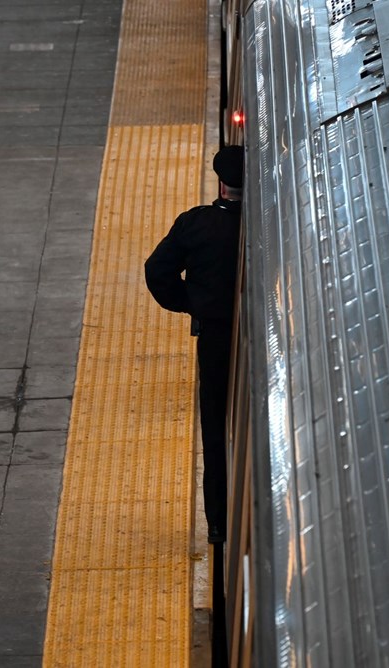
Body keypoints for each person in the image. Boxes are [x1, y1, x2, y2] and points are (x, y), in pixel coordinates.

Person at [144, 145, 243, 545]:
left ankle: (218, 525)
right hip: (269, 329)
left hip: (217, 338)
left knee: (216, 429)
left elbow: (157, 270)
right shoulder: (274, 223)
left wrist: (191, 302)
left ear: (221, 183)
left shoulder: (197, 225)